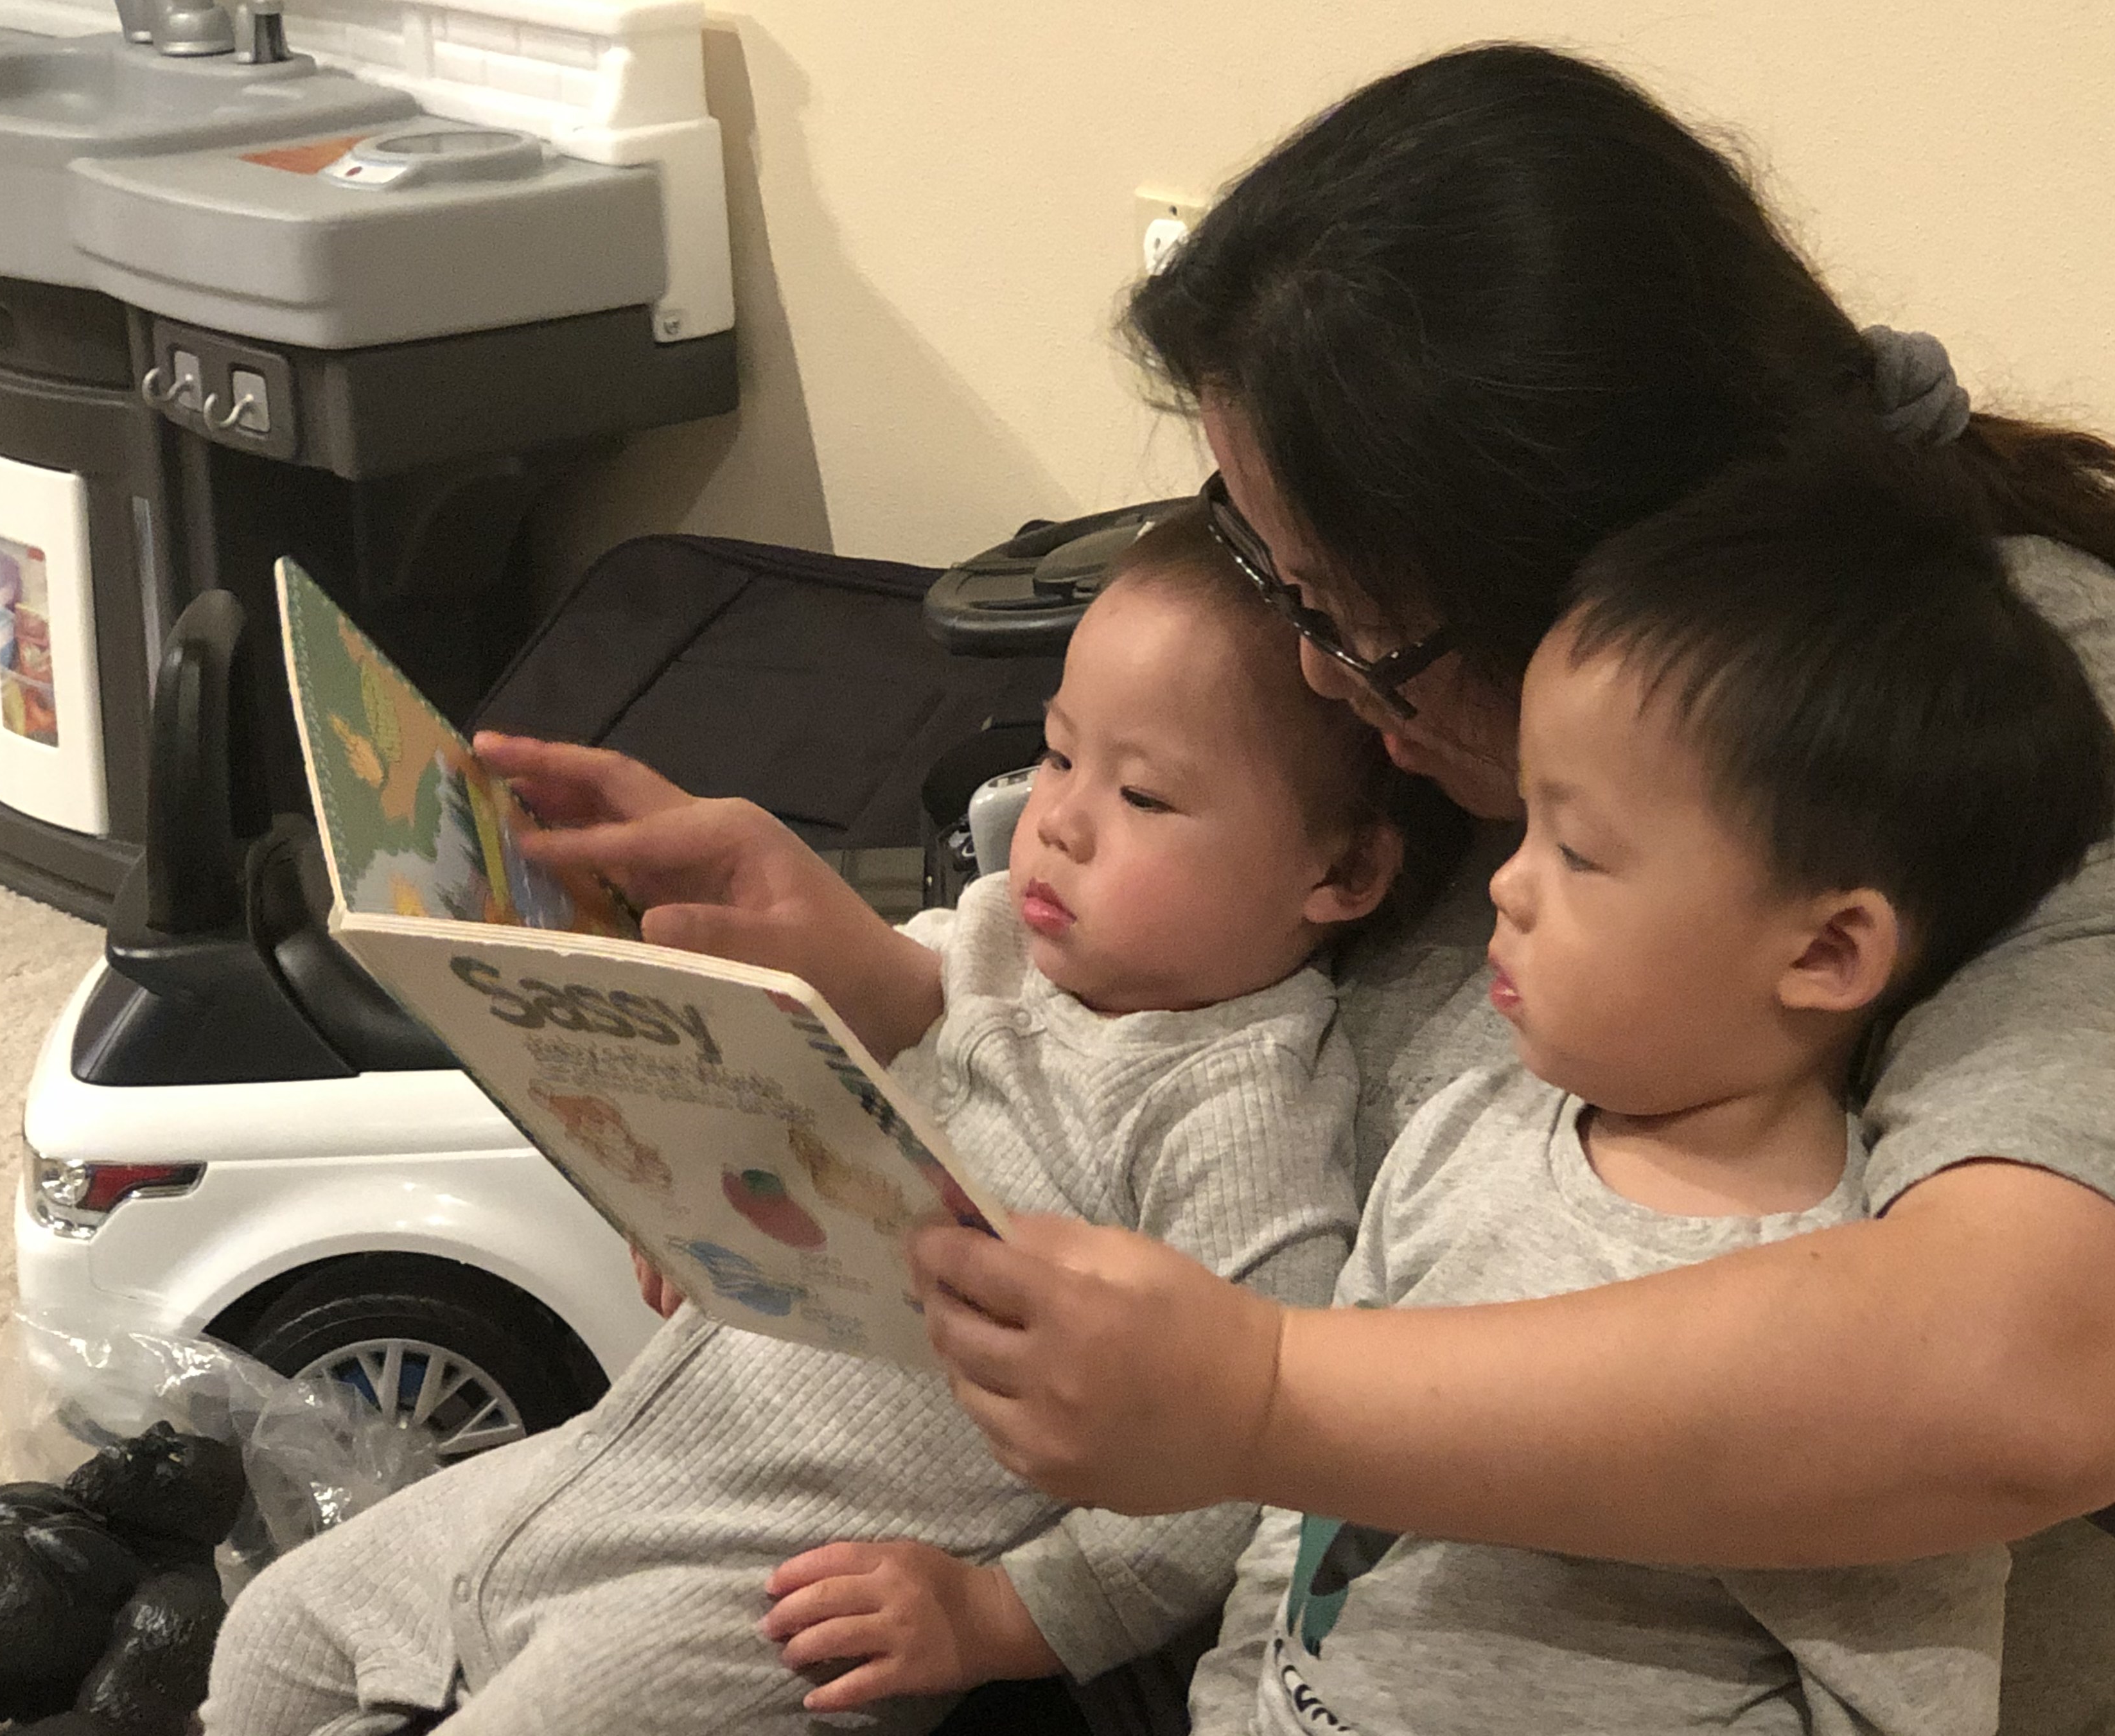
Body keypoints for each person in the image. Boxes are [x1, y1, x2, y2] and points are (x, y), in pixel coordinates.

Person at [486, 44, 2115, 1735]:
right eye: (1267, 573)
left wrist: (1269, 1402)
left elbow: (2026, 1371)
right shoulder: (1464, 705)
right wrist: (832, 1019)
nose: (1312, 672)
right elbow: (1170, 1059)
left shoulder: (2064, 751)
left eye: (1348, 622)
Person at [200, 505, 1406, 1736]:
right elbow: (804, 1116)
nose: (1060, 821)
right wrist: (693, 1192)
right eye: (1053, 754)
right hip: (613, 1463)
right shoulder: (985, 937)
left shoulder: (1244, 1108)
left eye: (1144, 795)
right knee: (273, 1636)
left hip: (784, 1587)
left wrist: (998, 1617)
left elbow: (1231, 1484)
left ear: (1342, 873)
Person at [1193, 453, 2115, 1736]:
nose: (1508, 888)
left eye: (1577, 851)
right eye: (1525, 824)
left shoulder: (1844, 1339)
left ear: (1822, 952)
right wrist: (1240, 1695)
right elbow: (1317, 1478)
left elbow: (1895, 1704)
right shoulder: (1466, 1129)